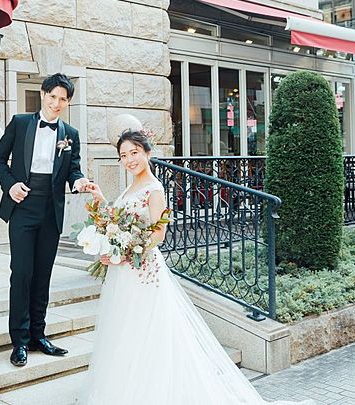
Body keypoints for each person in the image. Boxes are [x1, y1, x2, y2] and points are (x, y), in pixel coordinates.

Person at [80, 129, 314, 405]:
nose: (129, 160)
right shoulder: (130, 188)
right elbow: (118, 223)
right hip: (124, 274)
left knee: (147, 331)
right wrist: (101, 203)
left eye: (134, 153)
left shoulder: (154, 189)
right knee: (125, 332)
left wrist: (124, 254)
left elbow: (158, 234)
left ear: (147, 153)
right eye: (123, 155)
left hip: (143, 272)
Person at [0, 73, 91, 367]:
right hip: (23, 206)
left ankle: (38, 335)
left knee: (43, 276)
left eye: (63, 99)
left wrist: (79, 181)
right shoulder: (20, 123)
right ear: (43, 94)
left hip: (51, 209)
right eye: (53, 97)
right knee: (22, 273)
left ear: (68, 102)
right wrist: (10, 185)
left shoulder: (70, 134)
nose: (56, 103)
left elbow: (73, 169)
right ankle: (19, 341)